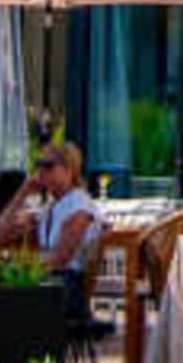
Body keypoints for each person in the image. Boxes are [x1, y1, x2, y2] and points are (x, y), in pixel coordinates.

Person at [21, 141, 106, 336]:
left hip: (68, 289)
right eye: (38, 164)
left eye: (48, 165)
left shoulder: (79, 206)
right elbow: (0, 231)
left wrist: (22, 267)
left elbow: (60, 258)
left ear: (69, 170)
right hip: (52, 281)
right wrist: (23, 191)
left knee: (8, 296)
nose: (41, 171)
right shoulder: (51, 206)